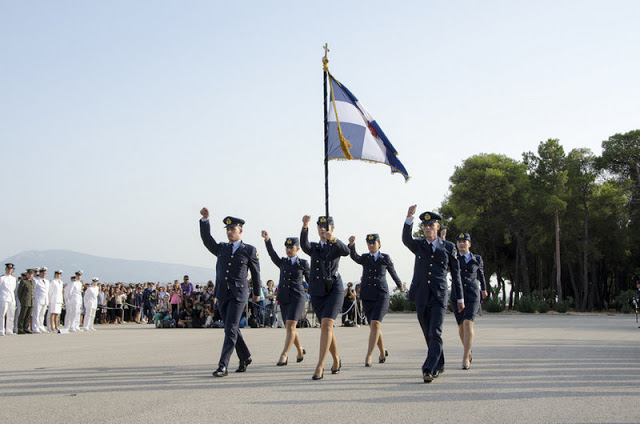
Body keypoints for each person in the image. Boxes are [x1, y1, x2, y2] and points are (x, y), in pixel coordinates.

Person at [402, 207, 464, 383]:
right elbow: (406, 239)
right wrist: (409, 219)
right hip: (421, 294)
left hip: (439, 295)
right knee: (428, 332)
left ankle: (428, 368)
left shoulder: (449, 247)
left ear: (438, 227)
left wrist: (459, 298)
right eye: (425, 226)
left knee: (435, 331)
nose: (427, 228)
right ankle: (440, 363)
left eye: (430, 225)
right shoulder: (419, 245)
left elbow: (456, 274)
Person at [199, 207, 261, 377]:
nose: (230, 232)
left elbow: (256, 272)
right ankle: (245, 356)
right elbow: (207, 240)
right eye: (227, 230)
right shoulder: (222, 248)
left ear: (240, 230)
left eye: (233, 229)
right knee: (230, 328)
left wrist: (257, 292)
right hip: (223, 294)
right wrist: (205, 220)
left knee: (231, 327)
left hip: (239, 295)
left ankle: (223, 365)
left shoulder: (249, 250)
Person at [300, 215, 350, 380]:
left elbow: (346, 251)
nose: (323, 229)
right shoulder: (314, 248)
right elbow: (304, 245)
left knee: (327, 324)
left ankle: (320, 365)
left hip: (334, 289)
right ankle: (336, 359)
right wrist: (305, 226)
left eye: (326, 227)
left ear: (332, 228)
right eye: (320, 227)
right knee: (325, 327)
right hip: (318, 291)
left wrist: (334, 239)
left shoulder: (335, 246)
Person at [348, 233, 403, 367]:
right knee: (374, 326)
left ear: (379, 244)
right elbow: (355, 257)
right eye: (369, 243)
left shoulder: (385, 258)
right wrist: (351, 246)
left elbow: (392, 272)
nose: (371, 245)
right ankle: (382, 352)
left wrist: (399, 284)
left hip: (381, 294)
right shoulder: (365, 258)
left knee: (376, 324)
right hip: (367, 296)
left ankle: (369, 355)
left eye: (374, 243)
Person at [262, 232, 309, 366]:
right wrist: (267, 240)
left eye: (291, 247)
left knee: (291, 325)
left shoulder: (303, 263)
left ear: (297, 249)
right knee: (289, 327)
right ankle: (299, 349)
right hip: (284, 297)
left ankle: (284, 354)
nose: (289, 250)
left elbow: (311, 280)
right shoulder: (282, 262)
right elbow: (272, 254)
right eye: (287, 247)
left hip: (297, 297)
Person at [452, 232, 488, 370]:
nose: (461, 244)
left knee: (468, 323)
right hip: (457, 294)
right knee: (461, 326)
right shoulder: (453, 258)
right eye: (459, 242)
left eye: (464, 241)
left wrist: (484, 289)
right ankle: (469, 350)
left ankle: (465, 356)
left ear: (469, 244)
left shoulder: (476, 258)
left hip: (472, 294)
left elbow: (481, 275)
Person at [0, 263, 17, 336]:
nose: (9, 270)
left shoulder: (13, 279)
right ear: (5, 269)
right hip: (4, 298)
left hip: (11, 298)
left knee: (11, 315)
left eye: (11, 269)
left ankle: (9, 330)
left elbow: (13, 289)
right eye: (8, 269)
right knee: (2, 314)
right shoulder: (2, 278)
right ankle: (1, 329)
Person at [17, 269, 36, 334]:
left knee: (28, 315)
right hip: (25, 301)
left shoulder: (32, 282)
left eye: (31, 274)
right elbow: (19, 292)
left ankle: (25, 328)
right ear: (27, 274)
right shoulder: (24, 281)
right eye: (29, 274)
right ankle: (20, 328)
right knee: (22, 315)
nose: (30, 275)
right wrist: (22, 300)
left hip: (31, 301)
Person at [32, 267, 50, 333]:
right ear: (40, 273)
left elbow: (47, 291)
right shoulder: (36, 281)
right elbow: (33, 291)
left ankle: (41, 326)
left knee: (42, 314)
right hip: (38, 299)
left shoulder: (47, 281)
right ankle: (35, 327)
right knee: (36, 314)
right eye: (43, 273)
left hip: (45, 300)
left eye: (45, 273)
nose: (44, 274)